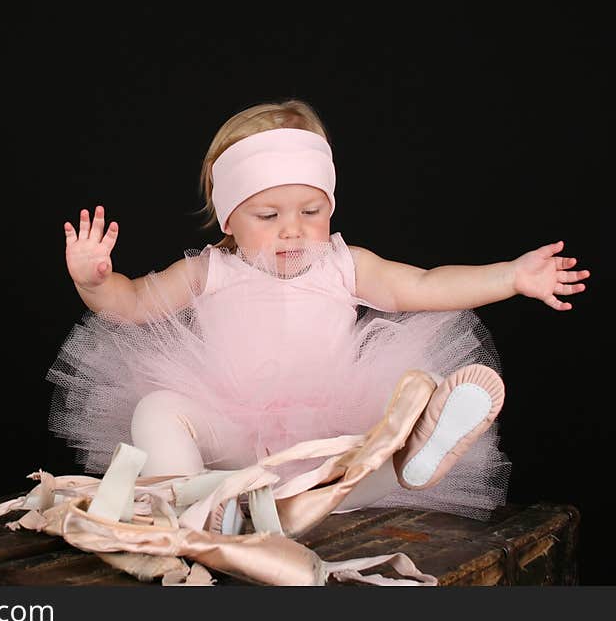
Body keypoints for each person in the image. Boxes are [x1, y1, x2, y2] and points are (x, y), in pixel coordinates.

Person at [47, 99, 589, 523]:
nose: (293, 228)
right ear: (228, 218)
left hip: (325, 436)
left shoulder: (342, 265)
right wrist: (92, 281)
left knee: (384, 424)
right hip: (229, 439)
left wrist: (513, 276)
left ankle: (406, 456)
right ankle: (187, 503)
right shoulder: (208, 271)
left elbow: (427, 284)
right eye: (268, 214)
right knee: (158, 410)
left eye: (311, 211)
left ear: (330, 206)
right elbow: (132, 305)